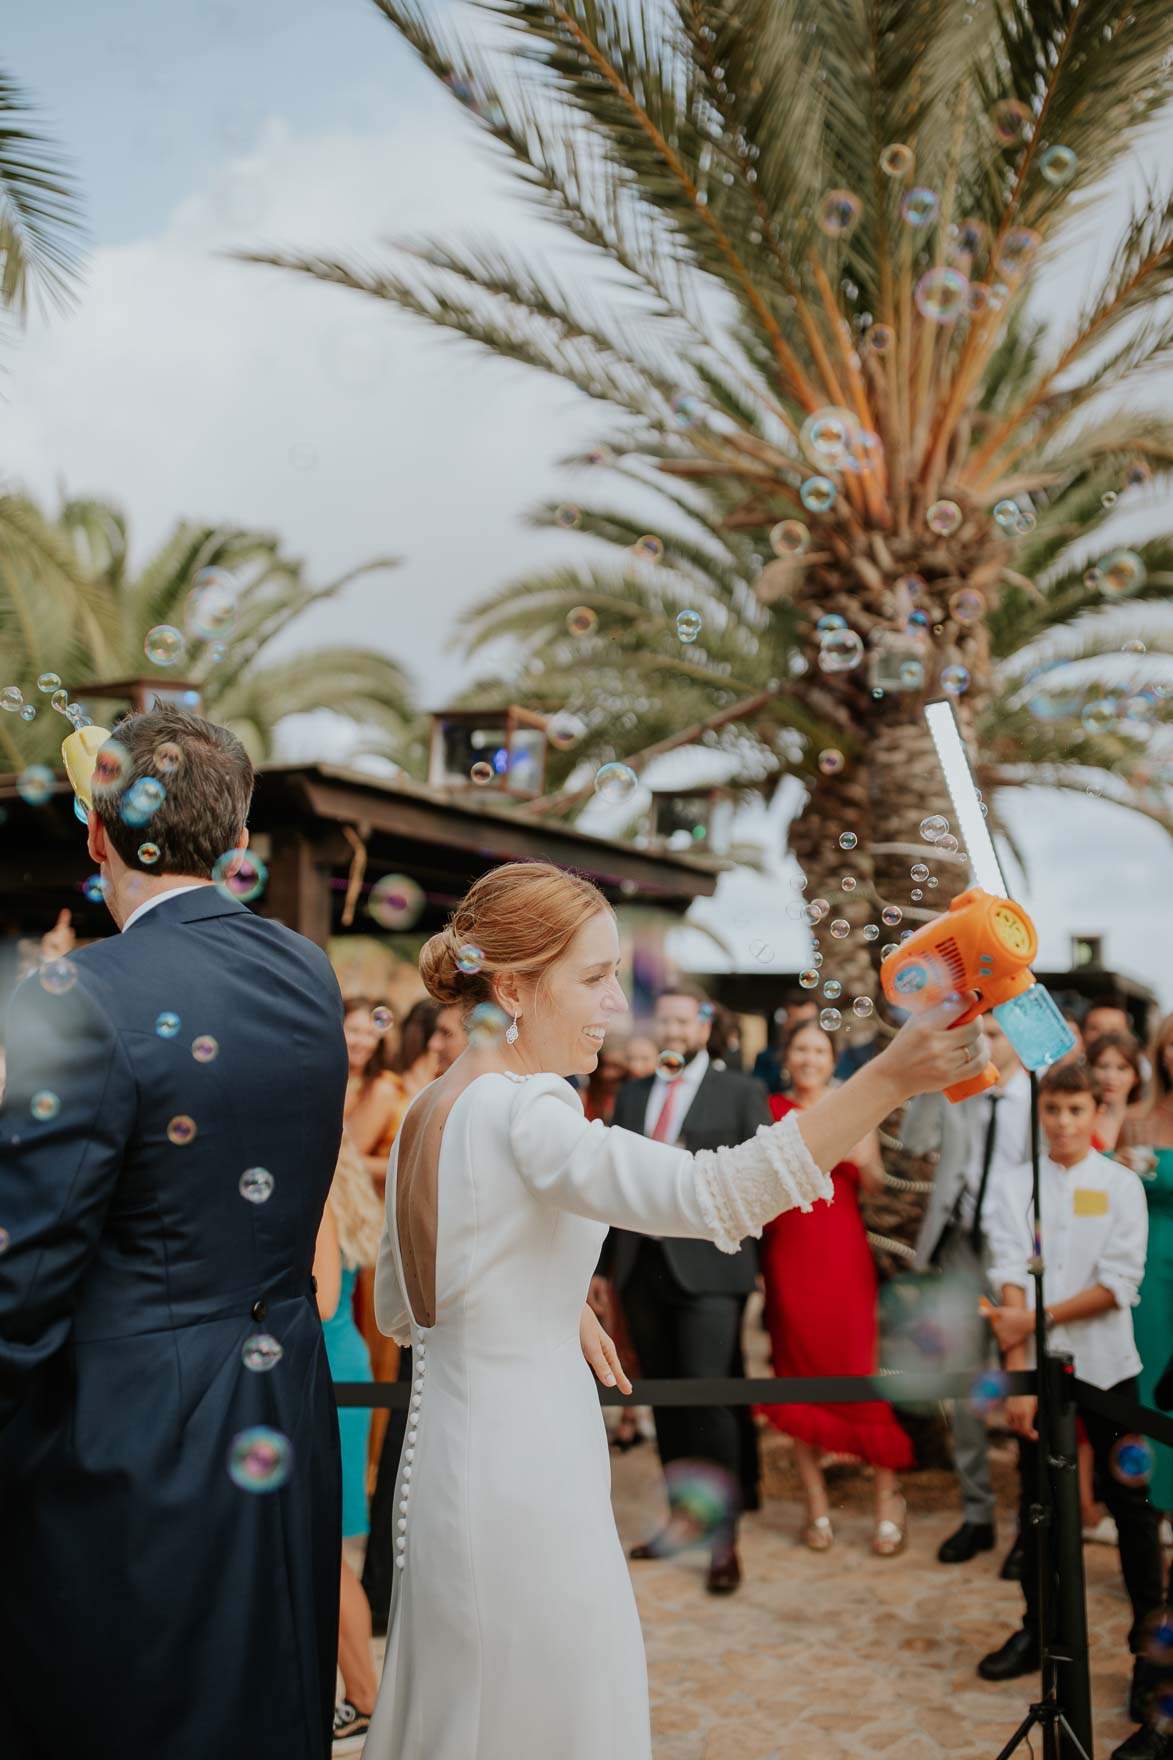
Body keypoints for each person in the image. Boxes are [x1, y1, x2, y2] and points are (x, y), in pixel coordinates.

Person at [358, 859, 988, 1760]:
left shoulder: (429, 1105)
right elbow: (715, 1195)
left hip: (446, 1460)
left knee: (468, 1707)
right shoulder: (529, 1108)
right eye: (591, 977)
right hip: (527, 1465)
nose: (616, 1004)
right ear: (511, 986)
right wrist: (885, 1080)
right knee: (556, 1707)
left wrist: (546, 1292)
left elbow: (404, 1306)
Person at [0, 708, 348, 1760]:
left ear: (96, 837)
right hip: (281, 1406)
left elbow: (27, 1270)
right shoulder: (307, 973)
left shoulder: (78, 994)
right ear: (238, 842)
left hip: (128, 1441)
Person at [978, 1060, 1164, 1735]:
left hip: (1108, 1367)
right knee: (1037, 1507)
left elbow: (1118, 1283)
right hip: (1039, 1372)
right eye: (1051, 1109)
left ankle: (1151, 1657)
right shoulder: (1011, 1184)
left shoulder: (1118, 1185)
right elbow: (1006, 1274)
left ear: (1095, 1111)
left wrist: (1034, 1320)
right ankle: (1039, 1630)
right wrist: (1018, 1364)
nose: (1060, 1122)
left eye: (1074, 1110)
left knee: (1131, 1511)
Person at [599, 982, 773, 1595]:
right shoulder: (634, 1093)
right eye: (664, 1021)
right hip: (641, 1267)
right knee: (666, 1401)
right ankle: (681, 1519)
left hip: (710, 1270)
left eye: (683, 1021)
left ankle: (724, 1541)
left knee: (708, 1401)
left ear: (704, 1027)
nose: (672, 1031)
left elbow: (761, 1179)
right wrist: (601, 1270)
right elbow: (607, 1184)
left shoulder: (740, 1091)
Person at [759, 1020, 913, 1554]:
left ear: (832, 1059)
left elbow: (873, 1184)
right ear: (788, 1056)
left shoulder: (852, 1104)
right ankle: (817, 1508)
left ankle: (889, 1502)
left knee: (857, 1377)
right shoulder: (770, 1110)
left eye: (817, 1049)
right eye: (799, 1047)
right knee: (798, 1379)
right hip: (788, 1255)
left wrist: (862, 1155)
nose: (808, 1057)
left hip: (842, 1254)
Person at [902, 1013, 1033, 1570]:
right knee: (965, 1385)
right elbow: (913, 1140)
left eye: (997, 1035)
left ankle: (1033, 1524)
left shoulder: (1044, 1101)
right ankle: (977, 1516)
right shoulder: (959, 1094)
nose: (986, 1043)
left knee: (1026, 1385)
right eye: (980, 1033)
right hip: (959, 1246)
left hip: (1025, 1260)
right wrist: (933, 1078)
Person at [360, 997, 466, 1631]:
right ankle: (384, 1588)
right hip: (420, 1296)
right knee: (405, 1441)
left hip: (458, 1301)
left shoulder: (484, 1098)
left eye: (451, 1033)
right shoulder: (424, 1098)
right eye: (443, 1033)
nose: (444, 1044)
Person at [312, 1141, 383, 1754]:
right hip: (338, 1365)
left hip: (329, 1373)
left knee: (327, 1553)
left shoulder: (319, 1204)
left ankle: (364, 1697)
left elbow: (323, 1300)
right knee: (326, 1549)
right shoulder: (335, 1185)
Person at [1118, 1011, 1173, 1525]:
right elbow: (1110, 1192)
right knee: (1154, 1376)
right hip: (1151, 1266)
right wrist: (1125, 1168)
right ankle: (1154, 1508)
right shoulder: (1138, 1118)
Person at [1089, 1030, 1145, 1153]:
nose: (1111, 1077)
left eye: (1122, 1068)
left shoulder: (1147, 1122)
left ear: (1136, 1076)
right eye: (1102, 1066)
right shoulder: (1079, 1122)